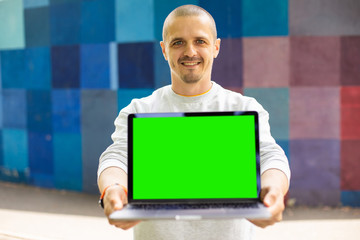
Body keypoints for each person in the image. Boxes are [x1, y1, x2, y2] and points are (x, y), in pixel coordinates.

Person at [97, 4, 290, 240]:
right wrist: (113, 189)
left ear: (216, 46)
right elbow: (116, 157)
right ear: (164, 50)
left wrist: (274, 190)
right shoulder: (140, 110)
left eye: (200, 41)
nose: (190, 51)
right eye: (178, 42)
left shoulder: (244, 108)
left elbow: (271, 156)